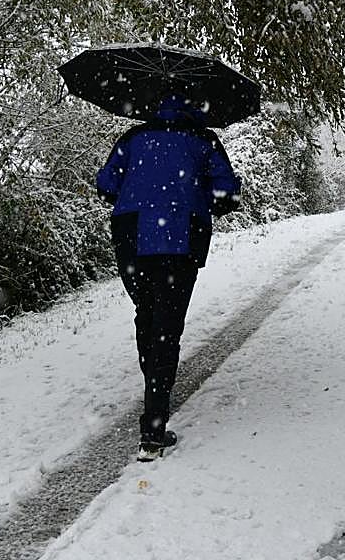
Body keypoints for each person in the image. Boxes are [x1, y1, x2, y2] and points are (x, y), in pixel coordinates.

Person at [95, 93, 241, 460]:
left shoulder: (131, 139)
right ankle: (154, 426)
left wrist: (139, 193)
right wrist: (205, 196)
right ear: (194, 106)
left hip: (132, 235)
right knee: (168, 322)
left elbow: (105, 186)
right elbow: (227, 195)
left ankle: (154, 388)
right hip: (181, 234)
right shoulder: (203, 140)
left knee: (146, 313)